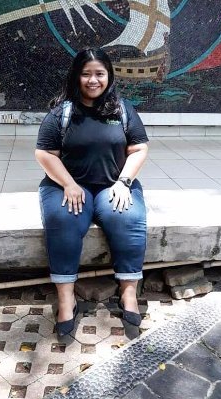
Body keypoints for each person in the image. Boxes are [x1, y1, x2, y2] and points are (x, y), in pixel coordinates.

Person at [35, 47, 148, 336]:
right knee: (64, 220)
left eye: (99, 73)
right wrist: (68, 184)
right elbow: (45, 154)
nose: (93, 80)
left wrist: (124, 182)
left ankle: (128, 292)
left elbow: (138, 149)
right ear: (77, 76)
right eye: (86, 74)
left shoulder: (123, 110)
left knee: (128, 218)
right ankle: (66, 299)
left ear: (109, 76)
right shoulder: (62, 112)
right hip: (69, 185)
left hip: (114, 183)